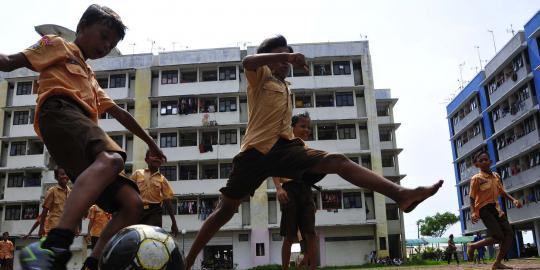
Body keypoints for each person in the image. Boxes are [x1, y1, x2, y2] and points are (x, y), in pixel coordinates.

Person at [183, 35, 444, 269]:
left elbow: (285, 126)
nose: (285, 63)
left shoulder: (287, 88)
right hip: (254, 154)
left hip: (286, 149)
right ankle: (186, 263)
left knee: (337, 161)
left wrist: (304, 154)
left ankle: (400, 195)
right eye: (280, 56)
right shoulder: (259, 76)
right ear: (272, 58)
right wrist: (286, 56)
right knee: (225, 211)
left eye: (288, 58)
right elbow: (249, 61)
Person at [0, 4, 166, 270]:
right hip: (59, 112)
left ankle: (93, 262)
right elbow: (8, 62)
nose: (105, 46)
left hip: (77, 135)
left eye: (111, 44)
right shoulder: (57, 45)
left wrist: (151, 142)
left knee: (131, 204)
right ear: (82, 27)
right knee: (112, 159)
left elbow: (120, 113)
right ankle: (55, 244)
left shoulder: (91, 78)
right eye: (103, 36)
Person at [273, 112, 319, 270]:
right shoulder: (284, 144)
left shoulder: (306, 148)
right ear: (292, 127)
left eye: (308, 127)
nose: (307, 130)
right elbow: (274, 166)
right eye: (303, 126)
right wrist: (279, 188)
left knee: (311, 233)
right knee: (289, 235)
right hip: (289, 190)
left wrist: (312, 201)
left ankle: (313, 268)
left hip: (305, 190)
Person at [466, 151, 522, 270]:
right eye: (481, 160)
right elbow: (471, 197)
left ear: (490, 162)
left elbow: (502, 192)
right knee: (498, 236)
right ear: (477, 165)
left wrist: (513, 200)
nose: (484, 161)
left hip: (497, 209)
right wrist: (473, 212)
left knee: (509, 235)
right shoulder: (476, 178)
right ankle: (472, 246)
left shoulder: (496, 176)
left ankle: (497, 263)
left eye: (486, 159)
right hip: (484, 209)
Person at [130, 150, 179, 237]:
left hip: (154, 212)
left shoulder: (162, 179)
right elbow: (129, 191)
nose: (156, 158)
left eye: (159, 157)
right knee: (137, 235)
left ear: (161, 162)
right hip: (138, 210)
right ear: (146, 160)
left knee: (152, 236)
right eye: (153, 155)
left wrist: (174, 222)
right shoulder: (137, 174)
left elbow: (167, 201)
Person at [39, 167, 71, 238]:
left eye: (66, 174)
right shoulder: (52, 191)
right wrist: (41, 228)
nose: (65, 176)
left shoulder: (70, 192)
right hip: (54, 229)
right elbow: (44, 212)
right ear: (56, 177)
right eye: (62, 174)